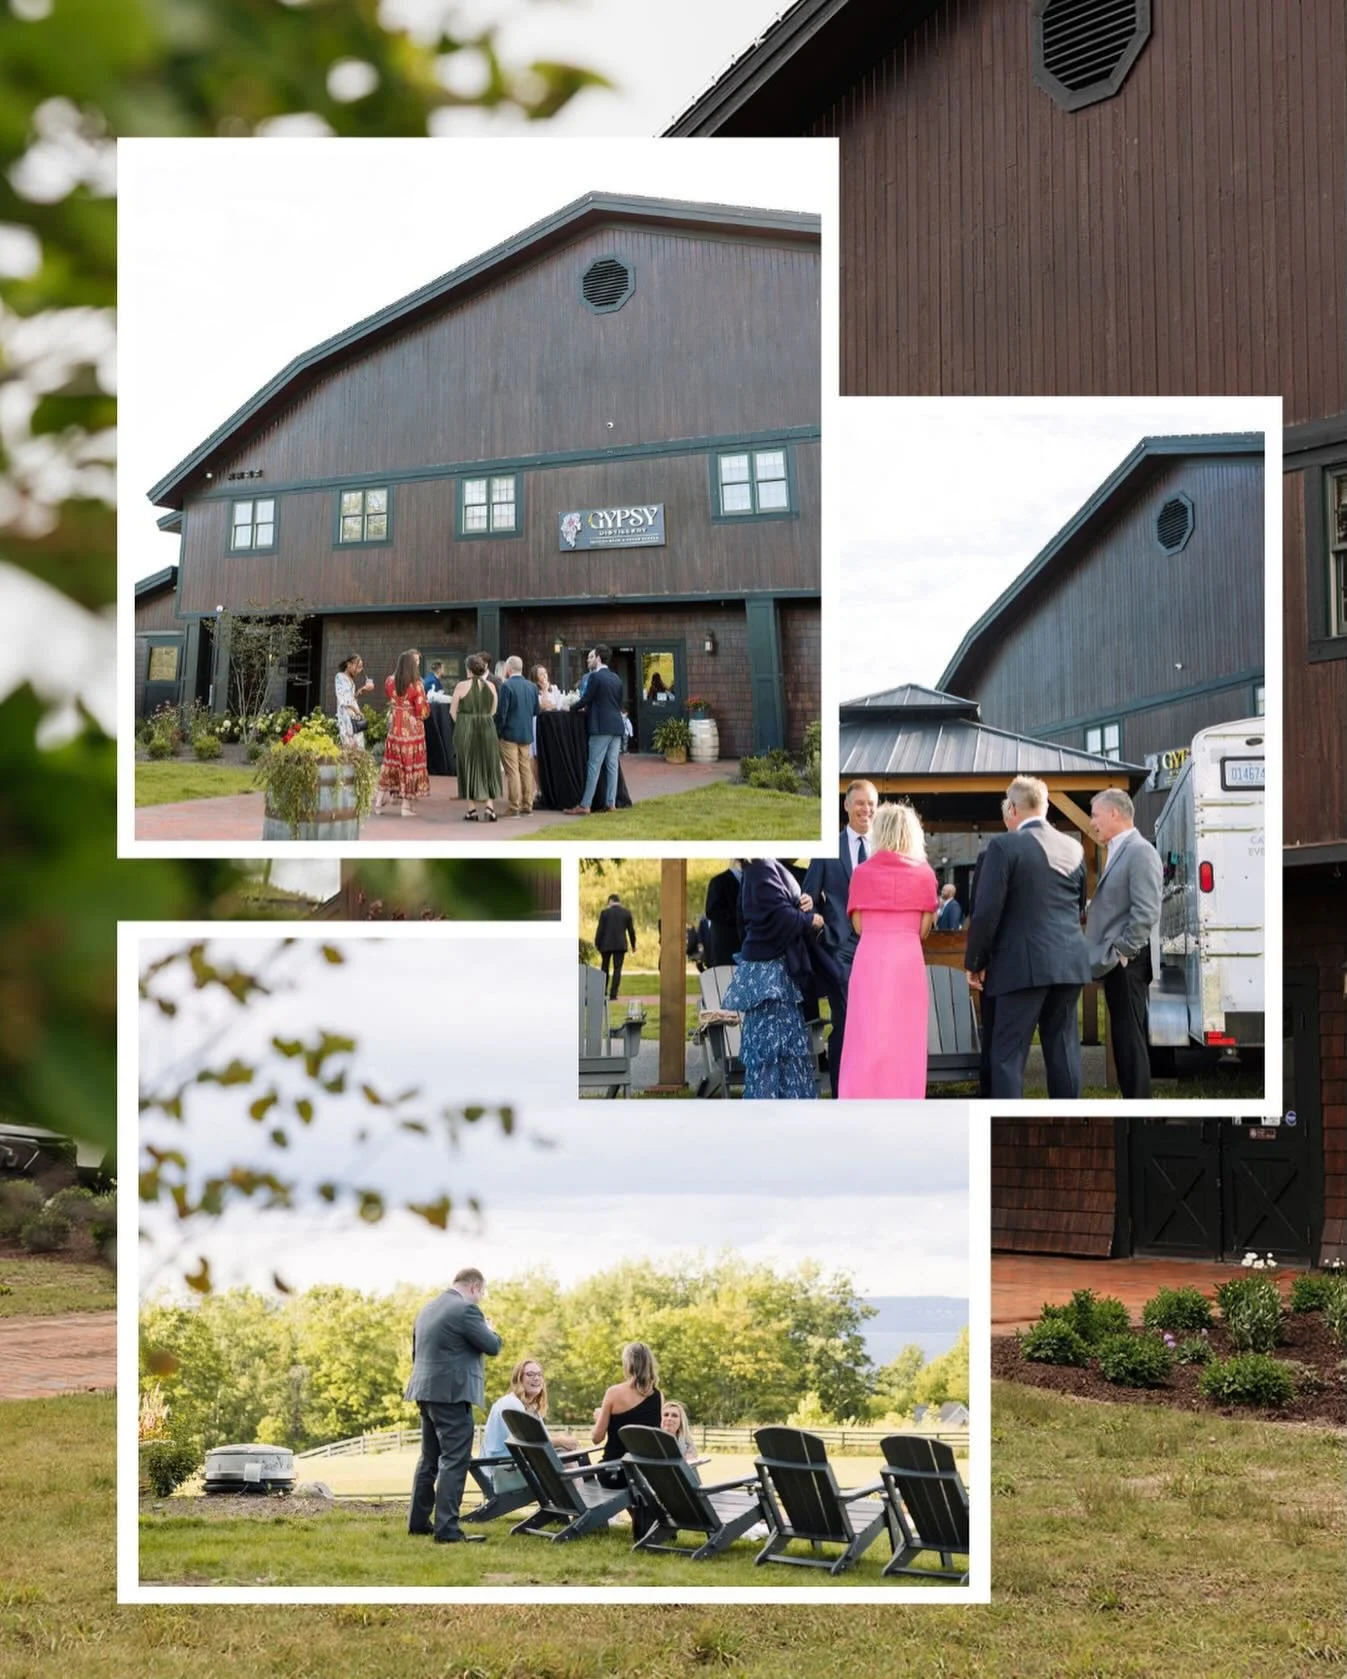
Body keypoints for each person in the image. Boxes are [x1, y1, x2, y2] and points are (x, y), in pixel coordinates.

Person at [964, 775, 1092, 1100]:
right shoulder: (1073, 846)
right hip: (1069, 965)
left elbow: (986, 912)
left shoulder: (1004, 846)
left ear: (1011, 807)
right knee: (1063, 1051)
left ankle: (1005, 1125)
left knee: (1008, 1056)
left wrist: (976, 961)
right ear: (1045, 805)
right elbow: (1079, 906)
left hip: (1021, 967)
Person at [838, 801, 939, 1098]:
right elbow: (923, 930)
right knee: (905, 1038)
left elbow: (857, 925)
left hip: (870, 958)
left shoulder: (862, 873)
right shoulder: (925, 874)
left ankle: (859, 1097)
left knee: (865, 1034)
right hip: (907, 960)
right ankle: (904, 1097)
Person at [722, 857, 835, 1100]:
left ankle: (782, 1118)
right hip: (770, 979)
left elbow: (776, 906)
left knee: (784, 1055)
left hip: (775, 975)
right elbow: (778, 916)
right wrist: (810, 919)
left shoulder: (761, 866)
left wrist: (801, 901)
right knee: (771, 1056)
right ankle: (768, 1121)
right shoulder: (760, 866)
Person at [405, 1266, 502, 1543]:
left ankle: (418, 1522)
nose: (480, 1298)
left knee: (429, 1458)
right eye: (481, 1293)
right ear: (474, 1287)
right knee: (454, 1460)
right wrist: (490, 1329)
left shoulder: (427, 1308)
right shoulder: (466, 1310)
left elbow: (416, 1351)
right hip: (452, 1394)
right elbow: (492, 1346)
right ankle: (447, 1530)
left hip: (425, 1391)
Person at [1085, 787, 1164, 1098]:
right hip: (1117, 963)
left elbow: (1146, 910)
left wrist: (1123, 952)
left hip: (1128, 963)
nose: (1092, 823)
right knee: (1123, 1038)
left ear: (1114, 813)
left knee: (1130, 1041)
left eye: (1095, 815)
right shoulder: (1117, 850)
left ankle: (1138, 1105)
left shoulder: (1140, 851)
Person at [802, 779, 877, 1096]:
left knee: (873, 1022)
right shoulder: (828, 848)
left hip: (877, 948)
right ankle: (842, 1092)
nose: (867, 809)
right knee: (845, 1019)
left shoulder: (885, 849)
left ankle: (870, 1088)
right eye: (860, 803)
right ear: (846, 806)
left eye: (872, 803)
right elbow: (808, 896)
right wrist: (817, 920)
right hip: (839, 948)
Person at [593, 1341, 663, 1539]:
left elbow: (596, 1438)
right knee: (637, 1484)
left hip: (614, 1474)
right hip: (646, 1474)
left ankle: (641, 1518)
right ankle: (644, 1519)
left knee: (626, 1482)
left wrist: (600, 1418)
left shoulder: (614, 1393)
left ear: (627, 1364)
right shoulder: (658, 1396)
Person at [480, 1357, 577, 1494]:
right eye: (530, 1374)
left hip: (516, 1465)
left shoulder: (530, 1408)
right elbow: (529, 1442)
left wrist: (564, 1442)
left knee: (569, 1454)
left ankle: (585, 1505)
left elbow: (541, 1441)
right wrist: (561, 1440)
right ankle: (585, 1508)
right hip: (504, 1471)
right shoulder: (510, 1404)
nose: (536, 1378)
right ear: (518, 1379)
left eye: (539, 1374)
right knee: (567, 1459)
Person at [565, 644, 625, 815]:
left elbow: (586, 699)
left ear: (598, 658)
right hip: (616, 726)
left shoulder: (595, 677)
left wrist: (571, 708)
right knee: (612, 765)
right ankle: (611, 803)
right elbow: (618, 703)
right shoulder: (616, 678)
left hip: (600, 727)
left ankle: (585, 805)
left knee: (594, 766)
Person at [373, 649, 430, 817]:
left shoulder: (389, 681)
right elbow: (422, 711)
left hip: (394, 729)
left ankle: (378, 803)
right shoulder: (416, 684)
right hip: (412, 731)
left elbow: (391, 700)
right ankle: (406, 806)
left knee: (390, 764)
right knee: (409, 766)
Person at [449, 654, 501, 822]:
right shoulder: (492, 686)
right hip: (487, 728)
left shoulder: (461, 686)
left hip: (466, 729)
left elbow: (452, 711)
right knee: (488, 765)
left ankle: (471, 809)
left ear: (468, 669)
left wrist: (464, 722)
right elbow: (493, 710)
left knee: (468, 766)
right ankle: (490, 807)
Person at [494, 655, 539, 818]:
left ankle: (514, 806)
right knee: (525, 769)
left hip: (509, 734)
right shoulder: (532, 687)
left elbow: (502, 714)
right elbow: (536, 710)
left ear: (508, 669)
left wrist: (497, 732)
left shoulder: (507, 687)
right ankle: (528, 804)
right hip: (526, 733)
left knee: (512, 770)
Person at [594, 892, 637, 1000]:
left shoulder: (604, 913)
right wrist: (633, 945)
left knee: (604, 968)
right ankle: (613, 994)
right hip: (620, 945)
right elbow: (631, 931)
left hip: (606, 945)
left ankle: (603, 992)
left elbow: (600, 930)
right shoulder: (626, 913)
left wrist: (597, 943)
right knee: (617, 969)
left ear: (610, 901)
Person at [702, 862, 744, 968]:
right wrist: (739, 916)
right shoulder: (718, 881)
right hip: (726, 944)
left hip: (746, 944)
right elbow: (712, 911)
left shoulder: (752, 882)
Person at [333, 653, 373, 749]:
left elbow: (351, 698)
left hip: (353, 715)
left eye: (361, 668)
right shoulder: (340, 677)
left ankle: (359, 763)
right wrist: (357, 711)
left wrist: (362, 689)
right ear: (349, 664)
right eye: (358, 667)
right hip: (346, 715)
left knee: (358, 743)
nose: (359, 670)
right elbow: (344, 699)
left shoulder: (350, 680)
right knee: (350, 744)